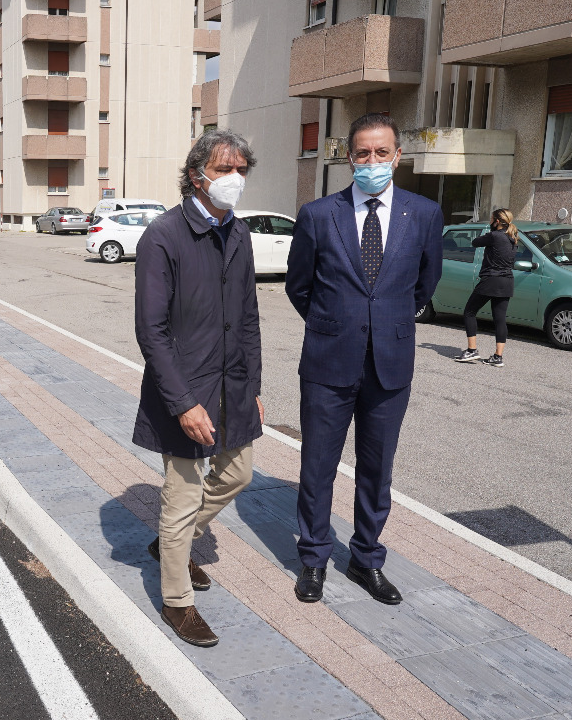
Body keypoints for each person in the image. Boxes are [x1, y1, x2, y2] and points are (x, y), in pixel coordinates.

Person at [285, 113, 443, 605]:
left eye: (381, 153)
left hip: (390, 366)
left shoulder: (423, 214)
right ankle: (313, 559)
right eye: (362, 153)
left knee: (377, 471)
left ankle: (365, 559)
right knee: (317, 467)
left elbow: (425, 284)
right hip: (328, 363)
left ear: (397, 156)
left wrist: (388, 325)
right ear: (348, 157)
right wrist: (336, 324)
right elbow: (299, 286)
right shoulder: (317, 215)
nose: (372, 162)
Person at [132, 129, 264, 647]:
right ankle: (177, 600)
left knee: (238, 474)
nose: (234, 179)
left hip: (233, 384)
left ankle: (173, 542)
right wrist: (183, 402)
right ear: (197, 175)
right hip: (183, 388)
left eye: (240, 170)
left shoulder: (240, 234)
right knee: (182, 493)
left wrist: (252, 384)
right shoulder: (163, 236)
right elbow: (152, 331)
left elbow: (248, 318)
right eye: (224, 169)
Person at [457, 208, 518, 367]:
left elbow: (475, 242)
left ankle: (472, 350)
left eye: (491, 219)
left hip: (491, 279)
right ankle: (498, 357)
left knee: (469, 311)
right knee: (500, 319)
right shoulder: (513, 237)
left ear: (497, 221)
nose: (490, 221)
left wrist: (487, 231)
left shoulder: (494, 236)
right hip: (507, 281)